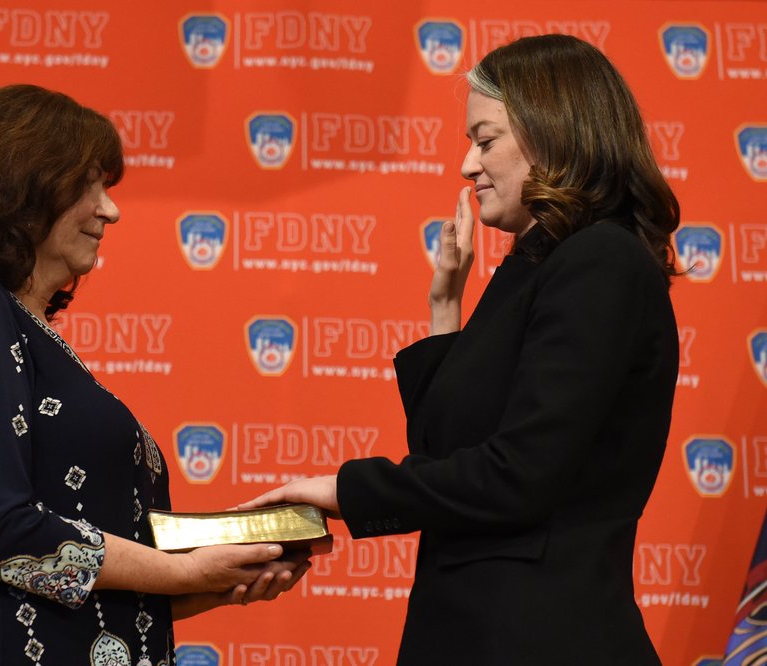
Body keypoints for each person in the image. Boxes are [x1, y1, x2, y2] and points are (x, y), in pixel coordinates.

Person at [241, 34, 680, 664]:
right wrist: (445, 310)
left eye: (485, 139)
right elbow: (447, 459)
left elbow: (518, 475)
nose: (468, 166)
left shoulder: (600, 260)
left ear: (553, 132)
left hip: (539, 637)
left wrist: (345, 490)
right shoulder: (534, 266)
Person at [0, 84, 309, 666]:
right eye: (88, 185)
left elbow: (68, 578)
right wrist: (180, 570)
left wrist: (209, 578)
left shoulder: (12, 325)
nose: (110, 209)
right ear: (22, 187)